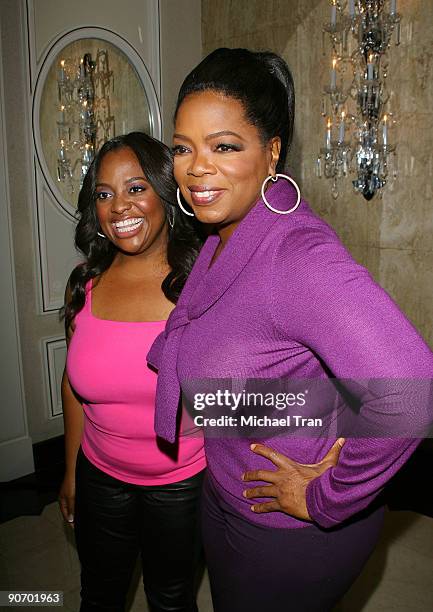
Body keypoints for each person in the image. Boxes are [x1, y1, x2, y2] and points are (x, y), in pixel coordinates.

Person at [147, 48, 433, 612]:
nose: (195, 167)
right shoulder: (222, 236)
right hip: (228, 485)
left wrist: (329, 493)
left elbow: (410, 390)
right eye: (183, 148)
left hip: (292, 528)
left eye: (224, 146)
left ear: (272, 151)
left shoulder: (297, 257)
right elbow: (269, 364)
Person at [58, 132, 206, 612]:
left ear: (167, 193)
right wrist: (71, 472)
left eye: (136, 188)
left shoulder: (201, 286)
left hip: (182, 486)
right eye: (104, 194)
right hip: (99, 475)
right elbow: (74, 388)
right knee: (98, 595)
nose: (119, 206)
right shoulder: (86, 284)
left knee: (170, 599)